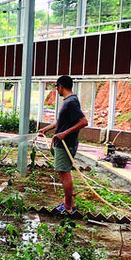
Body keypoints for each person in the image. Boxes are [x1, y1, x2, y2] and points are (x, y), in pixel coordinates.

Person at [38, 75, 88, 214]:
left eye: (56, 87)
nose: (56, 90)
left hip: (66, 143)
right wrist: (46, 129)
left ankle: (67, 207)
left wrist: (65, 133)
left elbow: (84, 122)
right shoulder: (69, 101)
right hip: (63, 142)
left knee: (64, 172)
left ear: (61, 86)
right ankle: (70, 203)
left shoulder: (71, 102)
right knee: (63, 171)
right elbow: (60, 121)